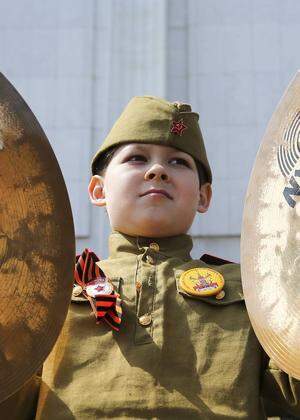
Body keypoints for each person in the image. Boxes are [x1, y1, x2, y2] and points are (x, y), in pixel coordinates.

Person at [5, 96, 300, 419]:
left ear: (203, 196)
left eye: (178, 162)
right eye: (137, 158)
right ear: (98, 191)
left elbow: (289, 397)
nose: (157, 170)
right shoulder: (44, 290)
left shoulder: (258, 292)